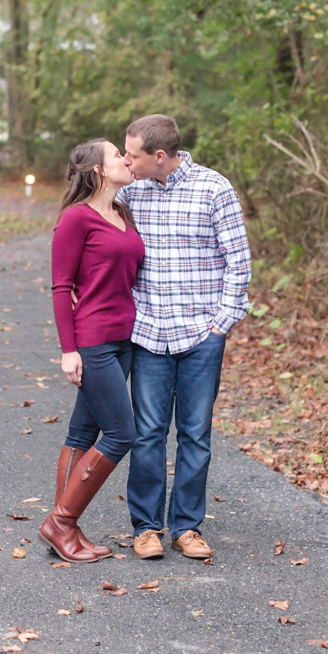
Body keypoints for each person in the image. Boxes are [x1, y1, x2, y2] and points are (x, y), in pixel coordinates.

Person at [120, 113, 252, 561]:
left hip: (201, 335)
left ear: (159, 156)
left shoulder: (215, 189)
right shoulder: (128, 192)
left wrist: (221, 325)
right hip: (149, 334)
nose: (125, 160)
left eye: (132, 154)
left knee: (195, 434)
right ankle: (146, 527)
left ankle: (187, 527)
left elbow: (239, 263)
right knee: (148, 432)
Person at [39, 139, 146, 563]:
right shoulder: (75, 220)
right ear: (99, 170)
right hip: (95, 341)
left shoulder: (122, 211)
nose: (125, 158)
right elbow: (61, 287)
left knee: (82, 433)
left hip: (125, 339)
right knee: (122, 433)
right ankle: (60, 523)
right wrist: (70, 350)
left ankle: (65, 525)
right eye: (117, 154)